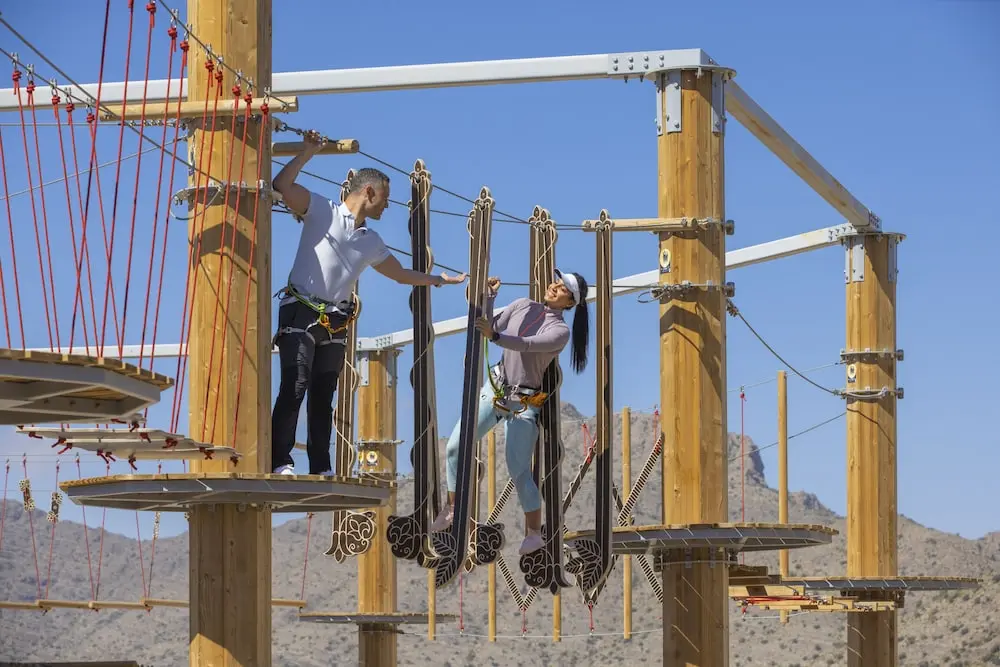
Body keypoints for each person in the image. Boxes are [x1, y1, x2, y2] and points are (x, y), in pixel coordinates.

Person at [270, 131, 466, 476]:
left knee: (323, 394)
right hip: (301, 310)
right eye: (385, 198)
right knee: (295, 383)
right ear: (369, 192)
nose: (387, 205)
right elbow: (282, 184)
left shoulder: (371, 241)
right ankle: (280, 459)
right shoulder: (321, 211)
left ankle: (320, 465)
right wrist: (308, 152)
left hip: (335, 319)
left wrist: (438, 280)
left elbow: (401, 275)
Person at [430, 270, 590, 555]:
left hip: (524, 401)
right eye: (556, 281)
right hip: (496, 388)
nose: (554, 286)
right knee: (455, 446)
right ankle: (453, 508)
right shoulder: (521, 304)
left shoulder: (560, 333)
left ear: (570, 303)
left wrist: (495, 335)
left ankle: (532, 533)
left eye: (563, 288)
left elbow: (527, 345)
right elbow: (489, 326)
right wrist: (490, 299)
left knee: (518, 470)